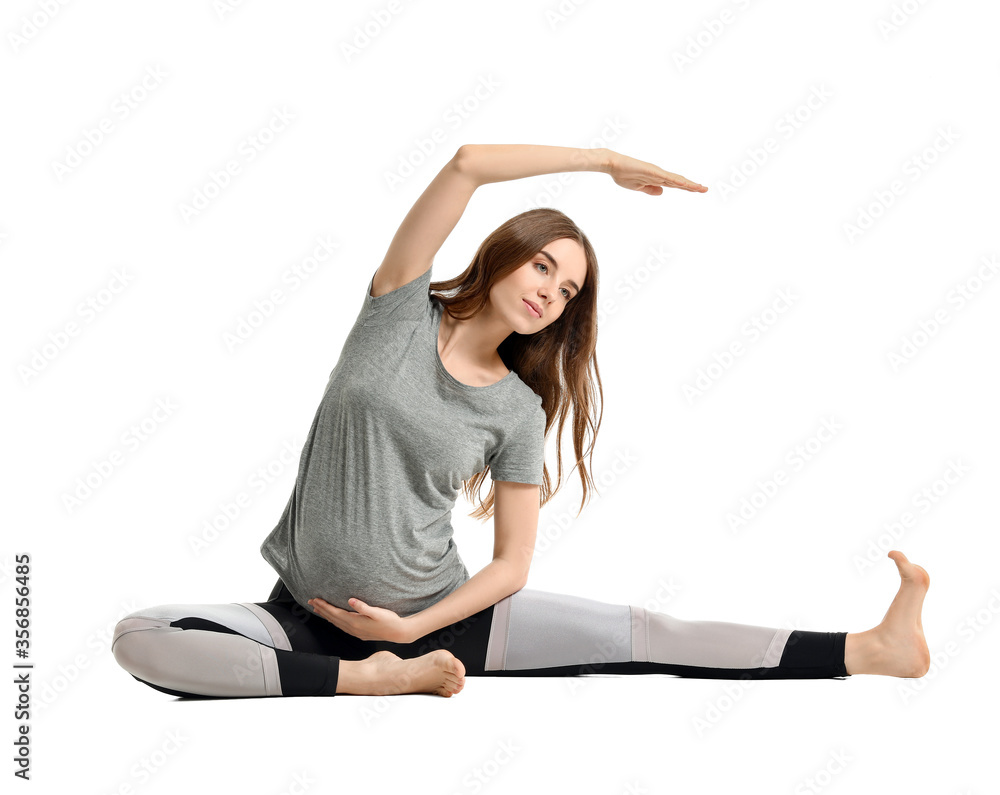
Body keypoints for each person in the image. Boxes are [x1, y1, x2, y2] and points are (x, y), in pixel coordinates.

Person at [112, 144, 931, 699]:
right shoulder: (396, 309)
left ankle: (869, 648)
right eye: (544, 263)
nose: (549, 290)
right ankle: (371, 682)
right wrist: (603, 161)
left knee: (646, 633)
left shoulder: (517, 406)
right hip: (303, 616)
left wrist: (411, 627)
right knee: (141, 637)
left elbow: (510, 565)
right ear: (510, 250)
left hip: (446, 620)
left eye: (568, 289)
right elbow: (467, 163)